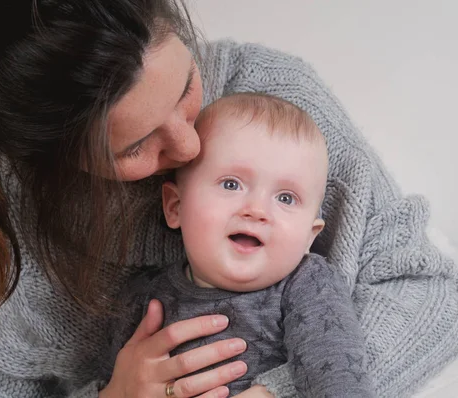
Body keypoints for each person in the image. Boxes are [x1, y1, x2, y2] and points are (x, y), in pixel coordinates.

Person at [0, 0, 458, 397]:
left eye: (186, 88)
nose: (191, 147)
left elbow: (423, 288)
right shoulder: (15, 210)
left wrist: (280, 391)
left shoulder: (278, 99)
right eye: (134, 146)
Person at [103, 93, 376, 397]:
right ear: (176, 207)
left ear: (309, 236)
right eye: (231, 184)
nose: (256, 210)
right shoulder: (141, 296)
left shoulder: (308, 285)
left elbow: (339, 376)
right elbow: (120, 382)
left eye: (286, 198)